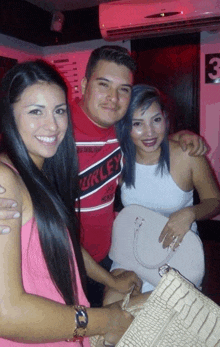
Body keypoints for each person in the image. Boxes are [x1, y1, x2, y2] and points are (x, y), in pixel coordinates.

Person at [0, 46, 207, 307]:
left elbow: (149, 135)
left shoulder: (121, 130)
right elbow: (16, 154)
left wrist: (181, 137)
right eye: (104, 84)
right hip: (63, 258)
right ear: (85, 84)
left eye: (123, 89)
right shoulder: (57, 130)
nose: (113, 97)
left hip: (110, 254)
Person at [0, 60, 147, 347]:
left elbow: (62, 244)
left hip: (62, 327)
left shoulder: (45, 170)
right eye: (35, 112)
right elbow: (6, 313)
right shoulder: (6, 180)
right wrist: (105, 320)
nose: (52, 125)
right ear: (9, 116)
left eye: (59, 111)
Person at [104, 84, 220, 302]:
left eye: (156, 120)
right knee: (113, 309)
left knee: (160, 313)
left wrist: (190, 213)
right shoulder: (119, 158)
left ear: (165, 119)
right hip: (131, 250)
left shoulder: (187, 155)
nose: (149, 132)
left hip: (178, 253)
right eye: (137, 123)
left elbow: (215, 201)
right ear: (125, 126)